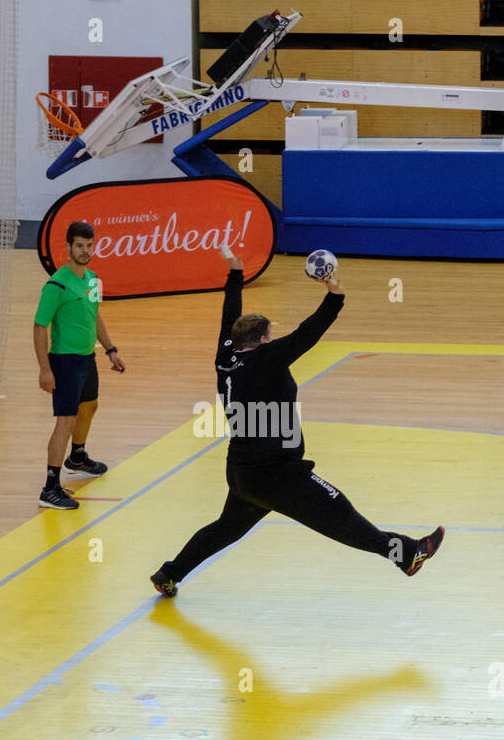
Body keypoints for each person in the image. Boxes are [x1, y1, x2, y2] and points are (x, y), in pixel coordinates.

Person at [150, 250, 444, 597]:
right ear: (262, 340)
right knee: (339, 514)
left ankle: (169, 574)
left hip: (244, 471)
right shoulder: (268, 359)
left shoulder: (226, 358)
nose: (274, 339)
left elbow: (229, 316)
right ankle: (407, 554)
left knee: (225, 528)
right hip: (278, 474)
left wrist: (235, 272)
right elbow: (308, 333)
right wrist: (334, 296)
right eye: (270, 335)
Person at [34, 221, 126, 509]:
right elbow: (39, 327)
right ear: (68, 247)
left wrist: (110, 349)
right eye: (79, 246)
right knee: (66, 420)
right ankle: (50, 488)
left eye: (89, 245)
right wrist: (45, 369)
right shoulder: (56, 285)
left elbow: (94, 315)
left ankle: (78, 456)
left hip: (88, 358)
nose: (85, 251)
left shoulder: (92, 279)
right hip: (65, 361)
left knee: (90, 406)